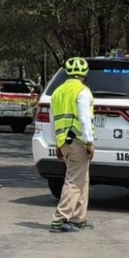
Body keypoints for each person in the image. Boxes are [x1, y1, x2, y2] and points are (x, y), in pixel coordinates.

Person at [50, 57, 96, 233]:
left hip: (64, 141)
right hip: (78, 141)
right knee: (73, 181)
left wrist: (57, 144)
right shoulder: (83, 91)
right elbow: (84, 118)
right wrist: (89, 141)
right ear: (84, 74)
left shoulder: (57, 92)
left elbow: (54, 120)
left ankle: (78, 219)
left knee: (82, 180)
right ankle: (60, 220)